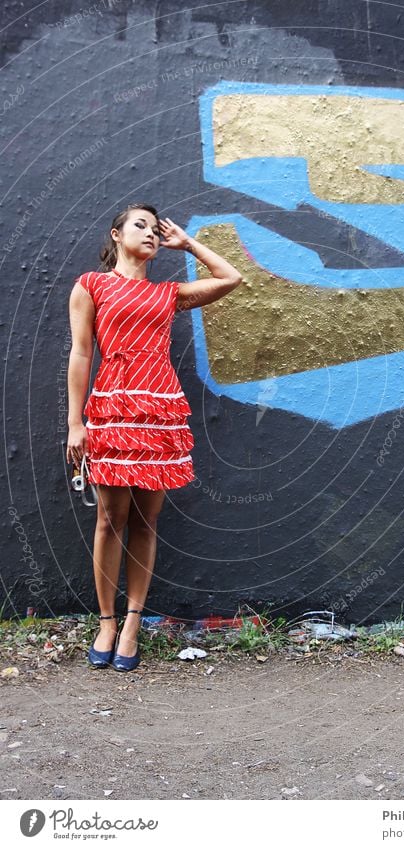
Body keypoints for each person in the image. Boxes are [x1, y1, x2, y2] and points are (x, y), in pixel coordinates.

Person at [66, 202, 243, 671]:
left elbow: (230, 278)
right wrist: (75, 422)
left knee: (147, 521)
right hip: (112, 410)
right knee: (110, 520)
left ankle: (132, 622)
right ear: (116, 233)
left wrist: (188, 244)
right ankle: (106, 620)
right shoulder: (92, 285)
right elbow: (81, 354)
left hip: (159, 411)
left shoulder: (168, 293)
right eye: (138, 225)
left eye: (154, 228)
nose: (149, 233)